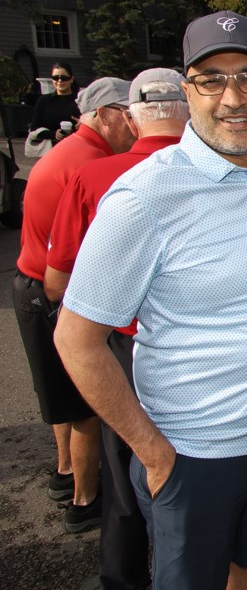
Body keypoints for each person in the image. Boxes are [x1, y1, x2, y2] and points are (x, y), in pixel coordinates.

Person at [53, 11, 247, 590]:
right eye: (211, 79)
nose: (233, 98)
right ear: (186, 90)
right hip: (194, 454)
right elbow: (75, 339)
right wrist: (152, 454)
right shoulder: (144, 198)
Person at [45, 67, 188, 590]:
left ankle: (127, 575)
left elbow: (57, 280)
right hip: (197, 347)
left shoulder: (92, 177)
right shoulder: (217, 172)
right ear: (190, 109)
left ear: (131, 117)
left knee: (129, 463)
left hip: (123, 344)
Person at [13, 76, 134, 534]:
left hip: (30, 283)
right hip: (50, 290)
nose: (132, 121)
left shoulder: (69, 152)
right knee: (89, 401)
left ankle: (66, 474)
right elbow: (76, 258)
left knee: (60, 397)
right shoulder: (91, 161)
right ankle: (86, 501)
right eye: (124, 113)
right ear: (102, 115)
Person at [30, 62, 81, 144]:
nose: (59, 81)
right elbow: (34, 128)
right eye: (55, 77)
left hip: (77, 146)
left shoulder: (81, 100)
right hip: (52, 149)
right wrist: (53, 134)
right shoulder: (43, 100)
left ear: (71, 79)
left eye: (64, 78)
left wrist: (84, 123)